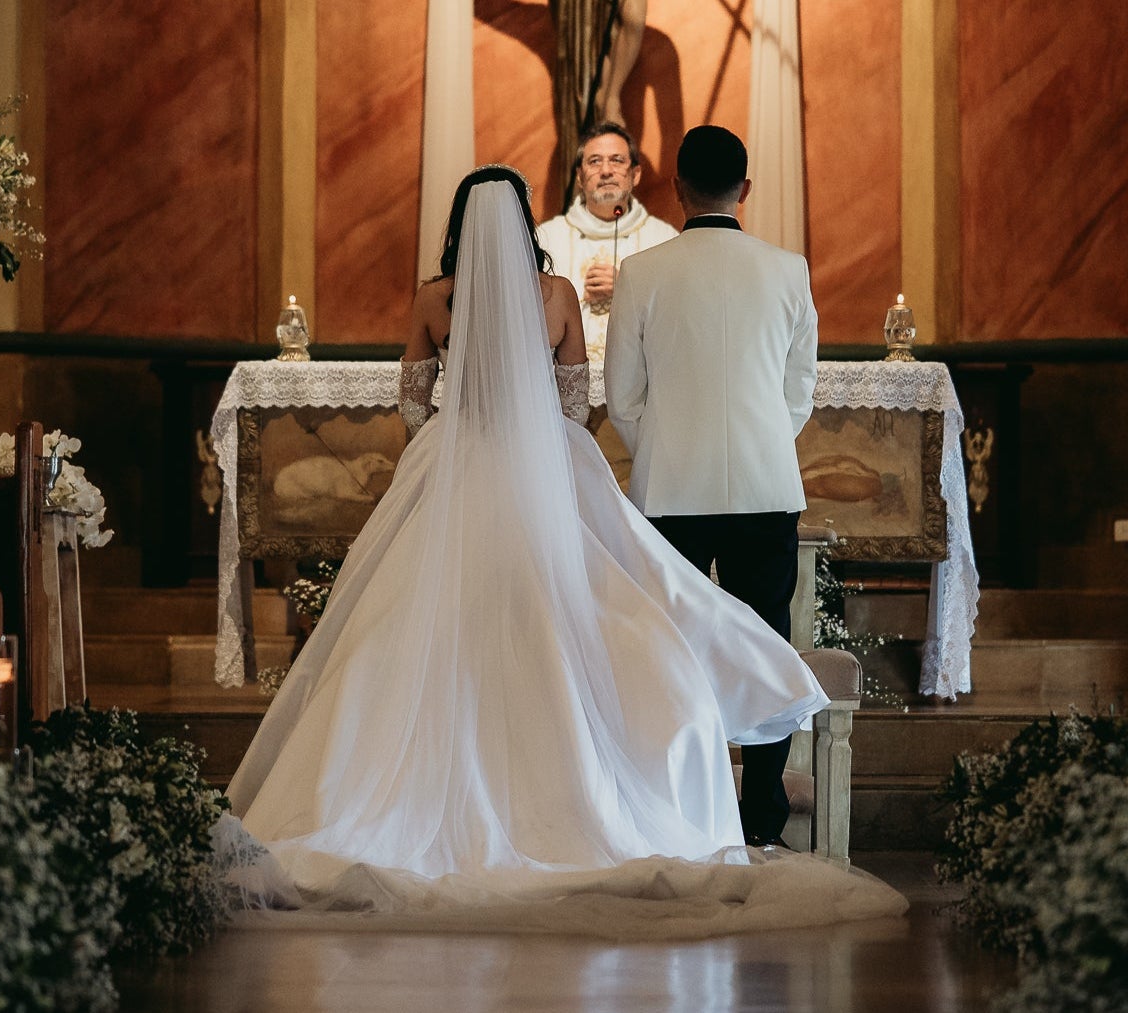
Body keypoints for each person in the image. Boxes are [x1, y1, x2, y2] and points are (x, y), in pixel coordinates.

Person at [226, 165, 901, 936]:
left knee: (411, 628)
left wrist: (450, 442)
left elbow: (413, 402)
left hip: (455, 463)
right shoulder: (555, 298)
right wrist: (536, 427)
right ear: (524, 224)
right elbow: (577, 403)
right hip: (546, 463)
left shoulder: (433, 298)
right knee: (583, 614)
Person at [603, 126, 819, 847]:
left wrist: (665, 451)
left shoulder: (642, 271)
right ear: (745, 189)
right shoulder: (788, 269)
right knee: (765, 642)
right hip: (765, 485)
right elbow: (799, 390)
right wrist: (755, 444)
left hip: (670, 496)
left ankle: (680, 809)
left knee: (670, 648)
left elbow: (622, 395)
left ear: (676, 189)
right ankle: (761, 812)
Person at [534, 123, 679, 358]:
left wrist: (629, 290)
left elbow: (680, 318)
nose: (606, 171)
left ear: (636, 174)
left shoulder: (665, 239)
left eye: (617, 160)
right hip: (564, 385)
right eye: (594, 161)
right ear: (580, 176)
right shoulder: (547, 239)